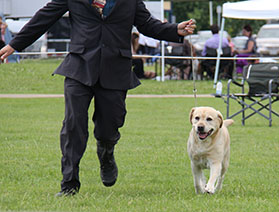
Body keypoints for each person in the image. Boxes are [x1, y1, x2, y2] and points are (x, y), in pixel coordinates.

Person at [0, 0, 196, 197]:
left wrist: (175, 30)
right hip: (80, 66)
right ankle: (69, 183)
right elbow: (44, 18)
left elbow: (147, 24)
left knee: (109, 126)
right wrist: (14, 45)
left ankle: (106, 152)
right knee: (73, 124)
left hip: (115, 68)